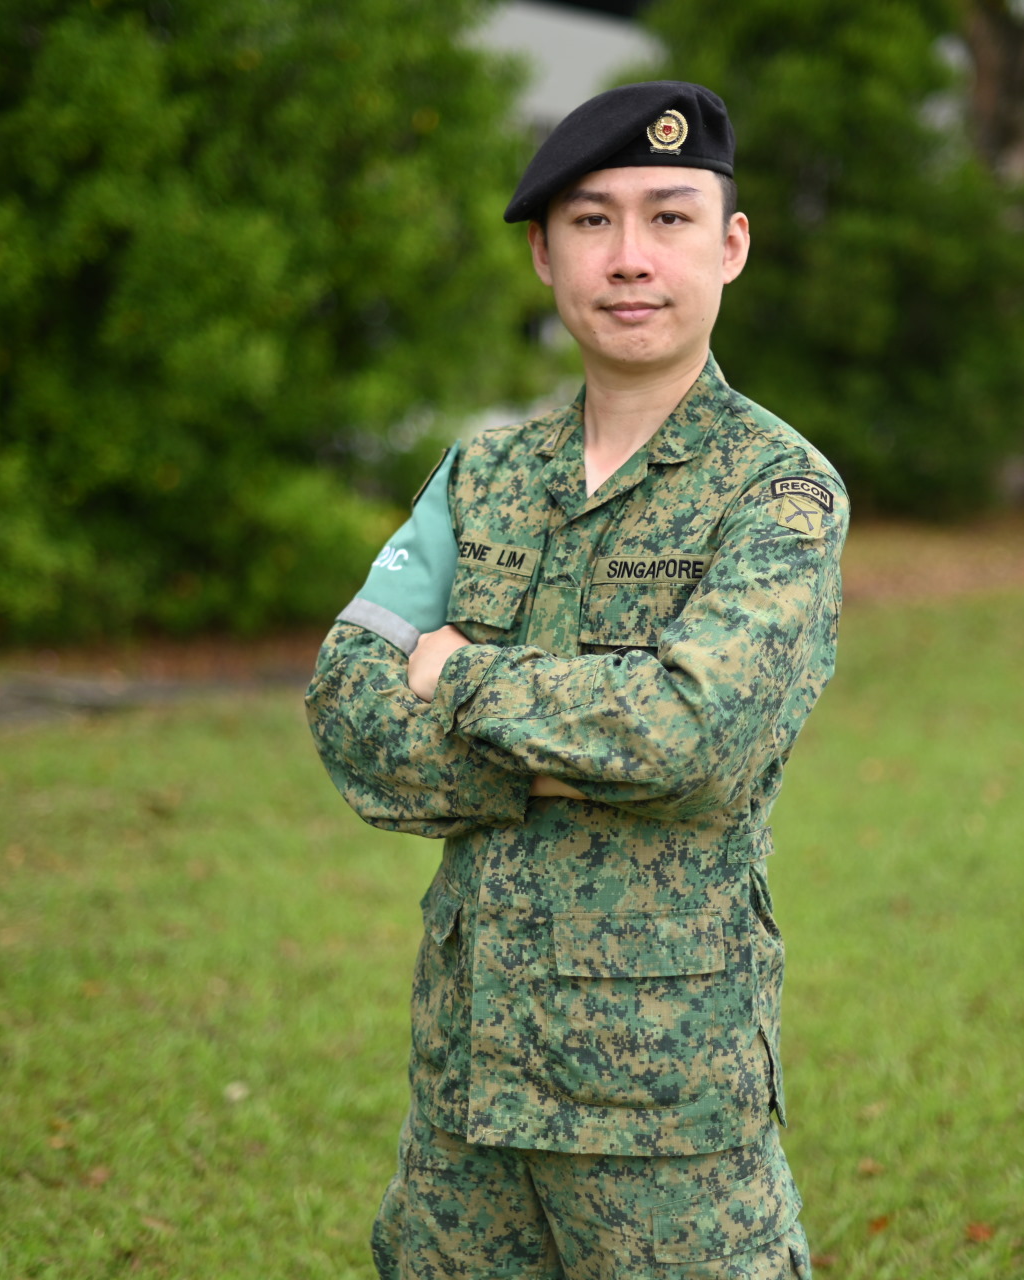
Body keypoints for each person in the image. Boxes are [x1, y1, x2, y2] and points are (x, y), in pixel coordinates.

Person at [306, 80, 846, 1280]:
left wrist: (460, 675)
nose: (630, 257)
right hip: (467, 1088)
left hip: (663, 1107)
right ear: (545, 256)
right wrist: (566, 760)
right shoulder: (483, 475)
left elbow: (692, 739)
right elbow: (346, 707)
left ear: (731, 246)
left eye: (668, 217)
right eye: (593, 221)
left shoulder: (778, 491)